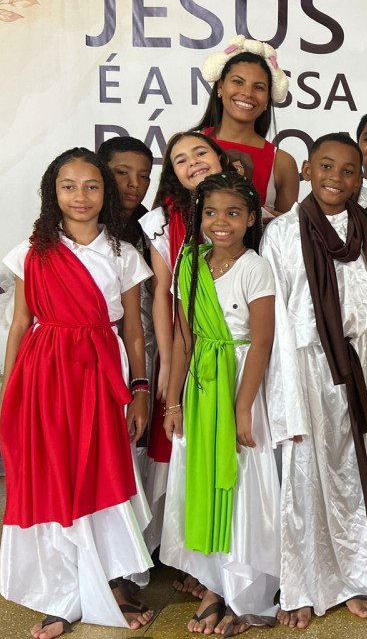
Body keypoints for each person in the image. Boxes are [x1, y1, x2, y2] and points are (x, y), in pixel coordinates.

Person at [0, 148, 154, 639]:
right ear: (53, 192)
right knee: (54, 475)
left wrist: (141, 390)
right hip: (44, 374)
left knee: (101, 472)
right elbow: (20, 323)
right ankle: (63, 592)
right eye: (68, 186)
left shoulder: (123, 254)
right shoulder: (31, 252)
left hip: (101, 374)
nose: (80, 196)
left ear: (106, 192)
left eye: (91, 186)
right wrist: (8, 393)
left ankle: (111, 581)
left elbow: (133, 332)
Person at [260, 132, 367, 628]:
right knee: (306, 479)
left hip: (364, 366)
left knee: (359, 473)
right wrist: (285, 401)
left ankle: (356, 579)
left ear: (358, 179)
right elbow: (278, 322)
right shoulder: (282, 233)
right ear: (307, 170)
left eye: (349, 170)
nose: (336, 177)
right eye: (326, 166)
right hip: (307, 368)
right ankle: (304, 585)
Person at [161, 172, 280, 635]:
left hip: (241, 384)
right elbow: (183, 338)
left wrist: (242, 408)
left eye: (233, 213)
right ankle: (214, 585)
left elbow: (262, 342)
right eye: (211, 212)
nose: (221, 222)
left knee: (242, 485)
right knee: (202, 481)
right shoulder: (189, 264)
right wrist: (173, 402)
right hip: (201, 388)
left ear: (251, 218)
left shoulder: (255, 267)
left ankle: (244, 593)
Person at [138, 130, 232, 597]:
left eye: (200, 152)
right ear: (172, 173)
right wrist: (168, 359)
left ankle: (227, 553)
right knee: (189, 448)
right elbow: (162, 293)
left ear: (219, 157)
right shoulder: (161, 222)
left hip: (238, 347)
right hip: (184, 345)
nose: (192, 162)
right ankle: (189, 553)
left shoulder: (246, 210)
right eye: (180, 159)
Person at [98, 136, 163, 550]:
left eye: (143, 176)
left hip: (143, 349)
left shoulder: (151, 227)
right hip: (93, 352)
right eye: (122, 173)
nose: (133, 184)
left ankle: (138, 543)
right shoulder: (80, 225)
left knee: (136, 437)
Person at [194, 34, 299, 219]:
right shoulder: (188, 146)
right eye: (238, 82)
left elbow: (288, 233)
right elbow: (163, 221)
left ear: (268, 99)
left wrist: (273, 222)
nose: (247, 93)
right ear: (220, 87)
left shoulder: (283, 163)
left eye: (259, 87)